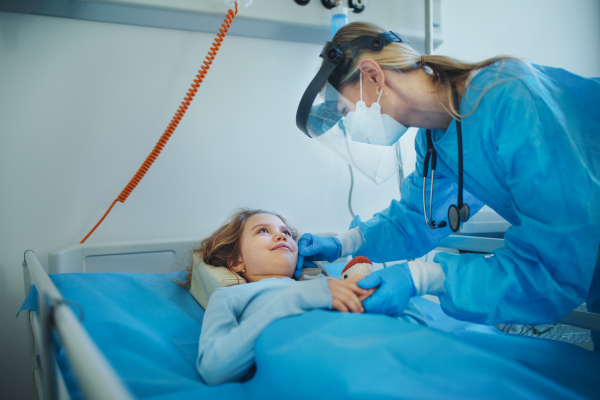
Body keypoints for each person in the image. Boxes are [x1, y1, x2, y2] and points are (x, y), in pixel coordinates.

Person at [295, 22, 600, 349]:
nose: (352, 126)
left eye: (345, 110)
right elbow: (414, 221)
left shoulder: (509, 98)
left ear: (372, 75)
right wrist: (343, 243)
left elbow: (556, 256)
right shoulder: (433, 140)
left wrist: (424, 277)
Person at [182, 209, 427, 385]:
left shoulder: (325, 284)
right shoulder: (231, 294)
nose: (282, 236)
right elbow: (214, 368)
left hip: (394, 361)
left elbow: (416, 332)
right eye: (263, 231)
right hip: (336, 370)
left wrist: (395, 294)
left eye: (287, 232)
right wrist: (296, 298)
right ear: (236, 261)